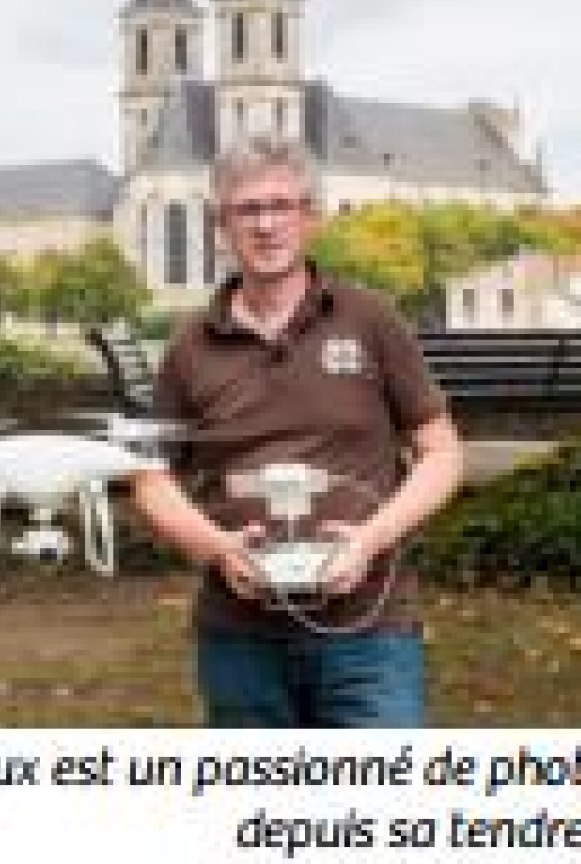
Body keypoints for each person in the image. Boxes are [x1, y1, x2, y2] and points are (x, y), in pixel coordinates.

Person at [130, 137, 463, 727]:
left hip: (369, 632)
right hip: (240, 637)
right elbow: (152, 476)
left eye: (281, 205)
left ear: (310, 217)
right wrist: (216, 547)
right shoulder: (189, 346)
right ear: (220, 226)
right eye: (247, 209)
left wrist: (370, 538)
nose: (266, 225)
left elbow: (441, 454)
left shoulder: (370, 320)